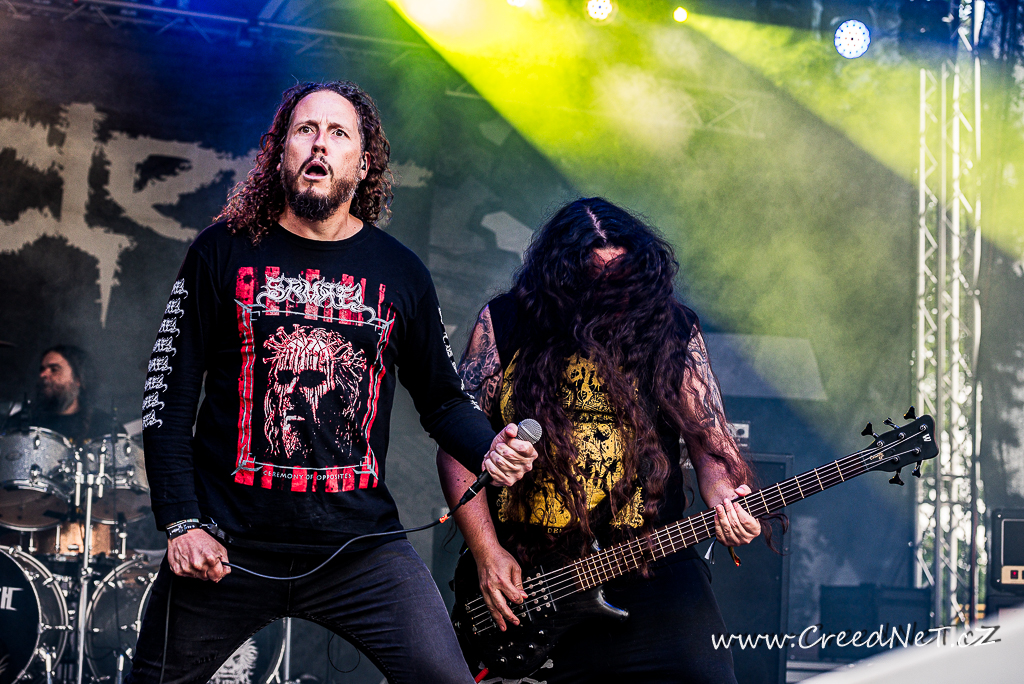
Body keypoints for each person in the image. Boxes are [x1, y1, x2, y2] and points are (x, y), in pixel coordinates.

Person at [128, 81, 538, 684]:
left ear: (363, 163)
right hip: (226, 544)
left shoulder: (400, 273)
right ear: (282, 153)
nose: (320, 143)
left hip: (359, 547)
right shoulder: (222, 251)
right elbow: (167, 398)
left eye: (338, 133)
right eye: (306, 130)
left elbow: (444, 400)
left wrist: (489, 446)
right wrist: (182, 522)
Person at [438, 198, 764, 683]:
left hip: (650, 559)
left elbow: (711, 443)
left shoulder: (671, 328)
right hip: (537, 579)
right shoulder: (507, 321)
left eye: (622, 275)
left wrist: (724, 497)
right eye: (595, 275)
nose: (610, 289)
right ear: (561, 276)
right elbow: (457, 445)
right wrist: (487, 553)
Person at [7, 345, 117, 443]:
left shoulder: (105, 425)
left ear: (78, 379)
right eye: (42, 369)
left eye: (54, 369)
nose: (43, 374)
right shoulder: (20, 423)